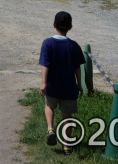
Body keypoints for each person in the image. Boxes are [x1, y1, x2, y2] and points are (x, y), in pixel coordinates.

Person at [39, 10, 93, 155]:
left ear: (54, 24)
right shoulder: (74, 46)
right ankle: (67, 146)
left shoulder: (48, 43)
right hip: (69, 87)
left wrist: (43, 82)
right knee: (67, 116)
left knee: (49, 105)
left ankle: (50, 129)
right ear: (70, 27)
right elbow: (78, 68)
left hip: (52, 85)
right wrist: (80, 85)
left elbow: (45, 64)